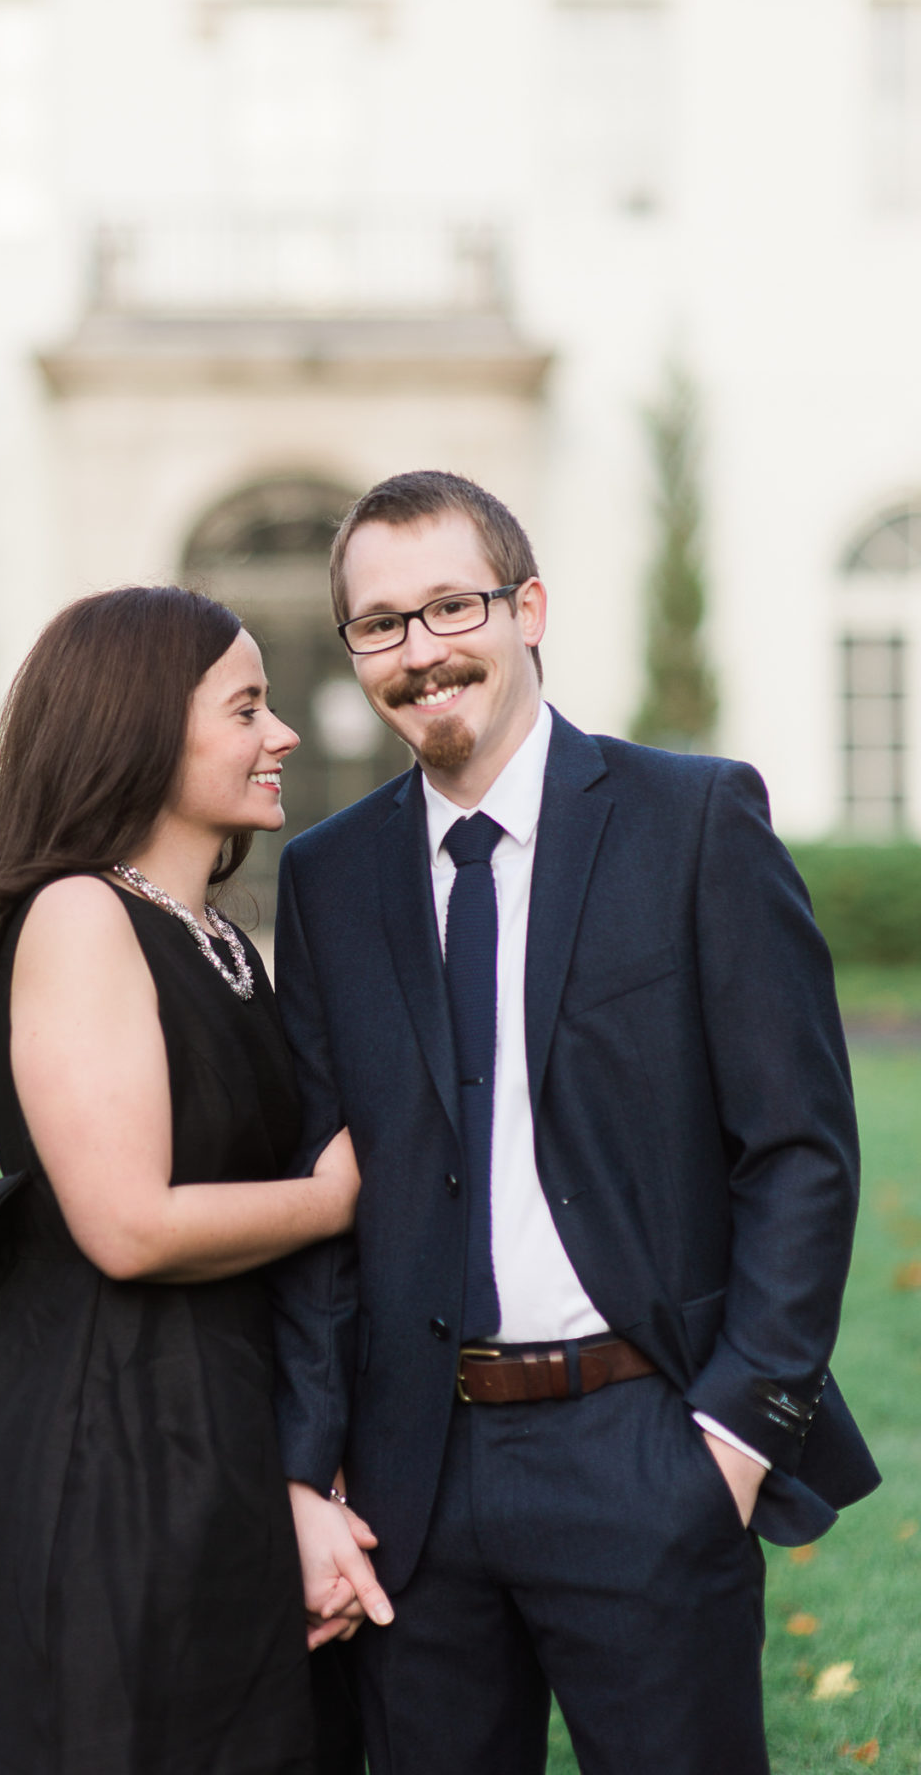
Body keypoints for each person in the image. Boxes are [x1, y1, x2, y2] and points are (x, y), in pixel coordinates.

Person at [273, 470, 880, 1773]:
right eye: (382, 624)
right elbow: (324, 1197)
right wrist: (309, 1472)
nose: (422, 652)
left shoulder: (695, 821)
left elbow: (800, 1155)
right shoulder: (329, 880)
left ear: (528, 606)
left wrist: (729, 1439)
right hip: (410, 1482)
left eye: (452, 606)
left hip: (645, 1444)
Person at [0, 586, 368, 1775]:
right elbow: (124, 1224)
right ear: (140, 730)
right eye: (246, 708)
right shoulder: (78, 916)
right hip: (102, 1447)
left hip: (210, 1426)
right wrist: (334, 1197)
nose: (280, 735)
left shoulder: (215, 932)